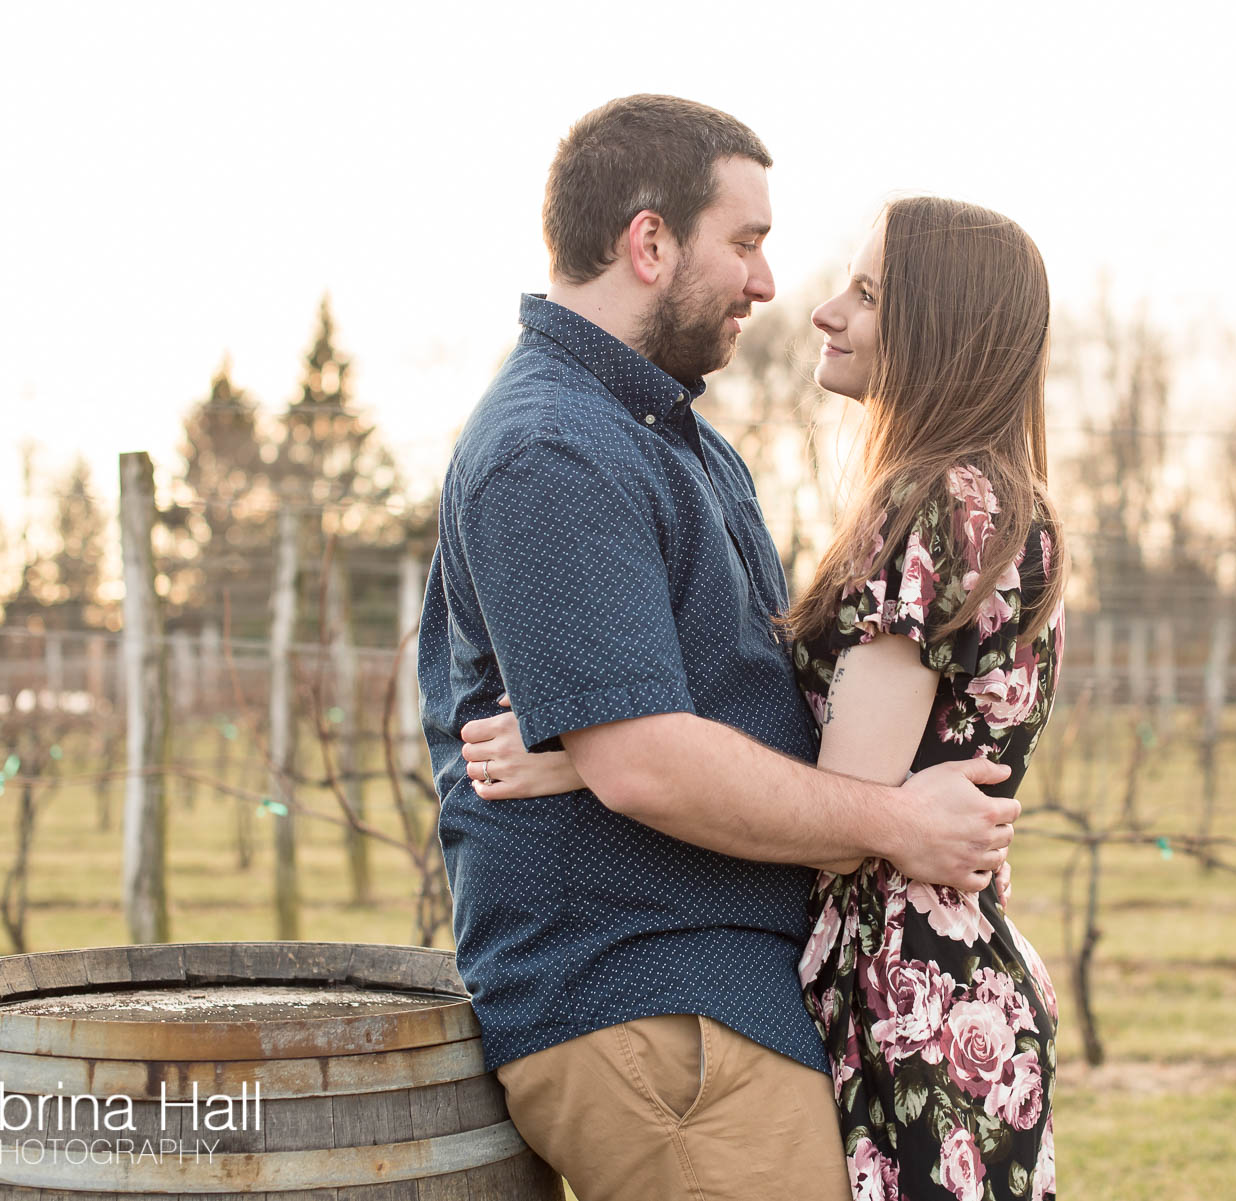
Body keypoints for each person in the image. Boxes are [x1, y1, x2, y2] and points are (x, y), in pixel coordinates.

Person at [418, 94, 1019, 1201]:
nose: (768, 283)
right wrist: (892, 821)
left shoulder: (674, 444)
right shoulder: (554, 451)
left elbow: (719, 715)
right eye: (744, 243)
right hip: (653, 1005)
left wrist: (581, 751)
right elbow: (647, 761)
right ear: (649, 242)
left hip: (720, 999)